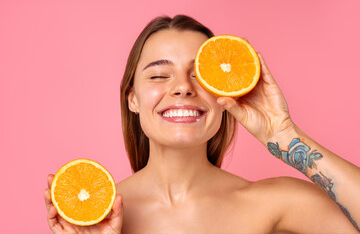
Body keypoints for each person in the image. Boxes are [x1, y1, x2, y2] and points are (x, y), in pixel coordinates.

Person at [44, 15, 360, 233]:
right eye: (158, 75)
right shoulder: (90, 220)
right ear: (133, 99)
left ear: (227, 93)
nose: (183, 87)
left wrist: (285, 135)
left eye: (200, 75)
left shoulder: (275, 204)